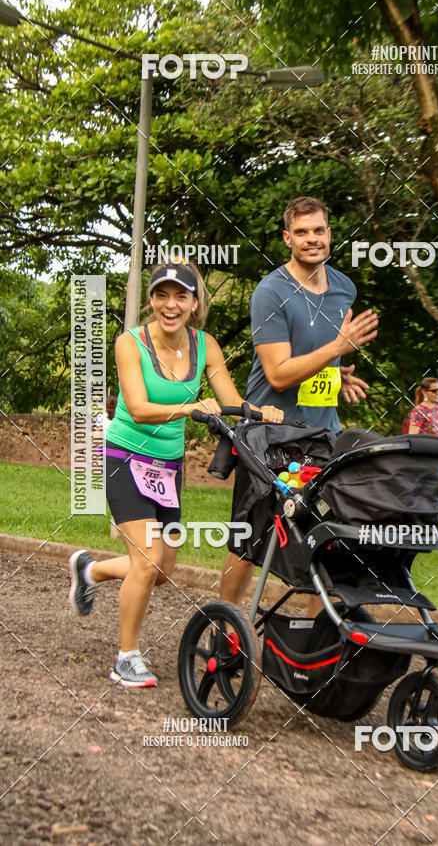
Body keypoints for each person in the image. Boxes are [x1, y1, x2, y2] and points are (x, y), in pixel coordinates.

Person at [68, 262, 283, 687]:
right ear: (151, 300)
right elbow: (141, 408)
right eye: (162, 295)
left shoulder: (206, 346)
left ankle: (89, 572)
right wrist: (189, 408)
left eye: (180, 296)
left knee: (162, 570)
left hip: (167, 468)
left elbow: (230, 402)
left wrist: (262, 414)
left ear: (194, 302)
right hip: (125, 457)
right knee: (146, 563)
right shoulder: (130, 343)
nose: (171, 305)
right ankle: (126, 658)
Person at [220, 195, 379, 606]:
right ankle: (224, 625)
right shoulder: (271, 292)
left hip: (324, 434)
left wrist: (336, 374)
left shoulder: (344, 288)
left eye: (319, 230)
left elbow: (318, 353)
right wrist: (337, 349)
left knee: (324, 541)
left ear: (330, 233)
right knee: (249, 540)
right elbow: (277, 372)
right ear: (288, 238)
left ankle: (316, 642)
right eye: (302, 232)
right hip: (268, 437)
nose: (313, 239)